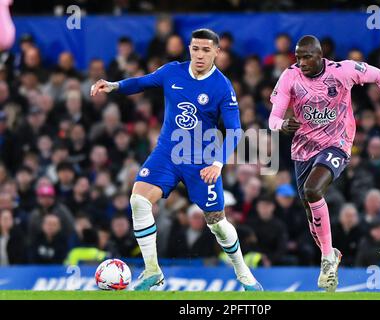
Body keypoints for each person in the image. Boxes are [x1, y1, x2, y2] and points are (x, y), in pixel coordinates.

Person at [91, 28, 262, 291]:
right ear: (189, 49)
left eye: (206, 50)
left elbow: (235, 130)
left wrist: (217, 164)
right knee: (138, 200)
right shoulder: (173, 71)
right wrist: (114, 86)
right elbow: (143, 82)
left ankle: (243, 274)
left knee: (216, 223)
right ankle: (152, 271)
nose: (200, 55)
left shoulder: (222, 87)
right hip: (168, 153)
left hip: (202, 161)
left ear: (217, 52)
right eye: (195, 48)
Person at [268, 35, 380, 291]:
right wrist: (283, 125)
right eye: (298, 57)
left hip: (337, 143)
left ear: (321, 55)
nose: (302, 62)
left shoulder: (343, 71)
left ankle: (325, 259)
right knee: (311, 212)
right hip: (303, 149)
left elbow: (379, 76)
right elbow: (273, 118)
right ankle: (330, 253)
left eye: (307, 56)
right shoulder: (290, 76)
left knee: (313, 190)